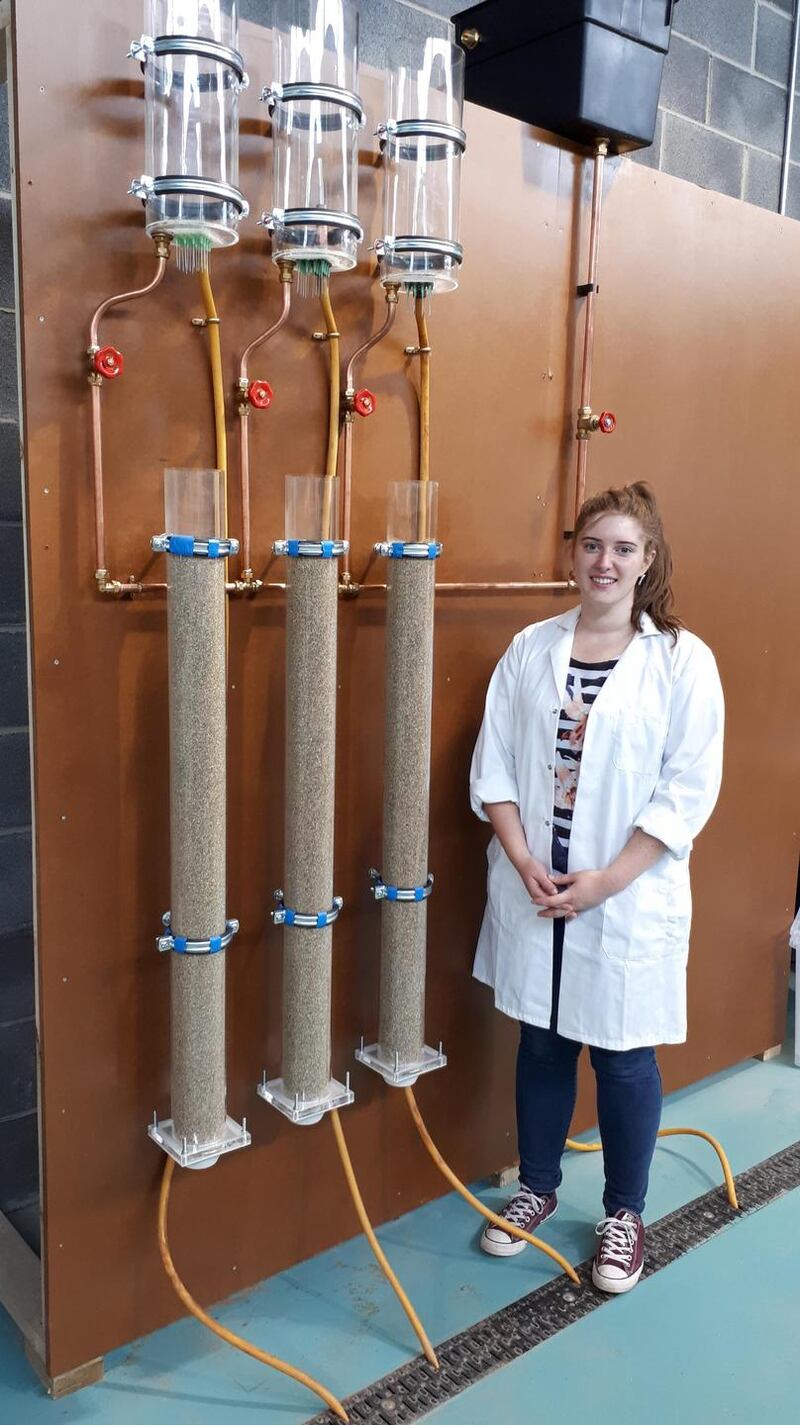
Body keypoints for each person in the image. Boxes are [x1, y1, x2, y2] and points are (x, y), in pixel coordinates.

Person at [469, 482, 724, 1293]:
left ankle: (623, 1213)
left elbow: (686, 790)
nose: (604, 561)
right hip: (537, 884)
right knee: (542, 1038)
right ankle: (537, 1188)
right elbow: (496, 766)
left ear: (648, 561)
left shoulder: (682, 661)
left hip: (623, 893)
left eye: (622, 548)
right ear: (573, 553)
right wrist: (522, 859)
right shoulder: (530, 648)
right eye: (591, 544)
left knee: (621, 1053)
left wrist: (604, 881)